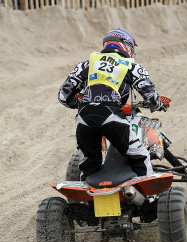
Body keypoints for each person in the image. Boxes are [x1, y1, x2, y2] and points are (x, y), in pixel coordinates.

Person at [58, 28, 167, 181]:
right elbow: (151, 97)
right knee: (140, 156)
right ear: (127, 46)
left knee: (88, 164)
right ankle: (150, 200)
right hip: (111, 116)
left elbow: (63, 96)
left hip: (83, 118)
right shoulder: (130, 66)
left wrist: (79, 102)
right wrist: (158, 105)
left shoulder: (86, 64)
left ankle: (85, 202)